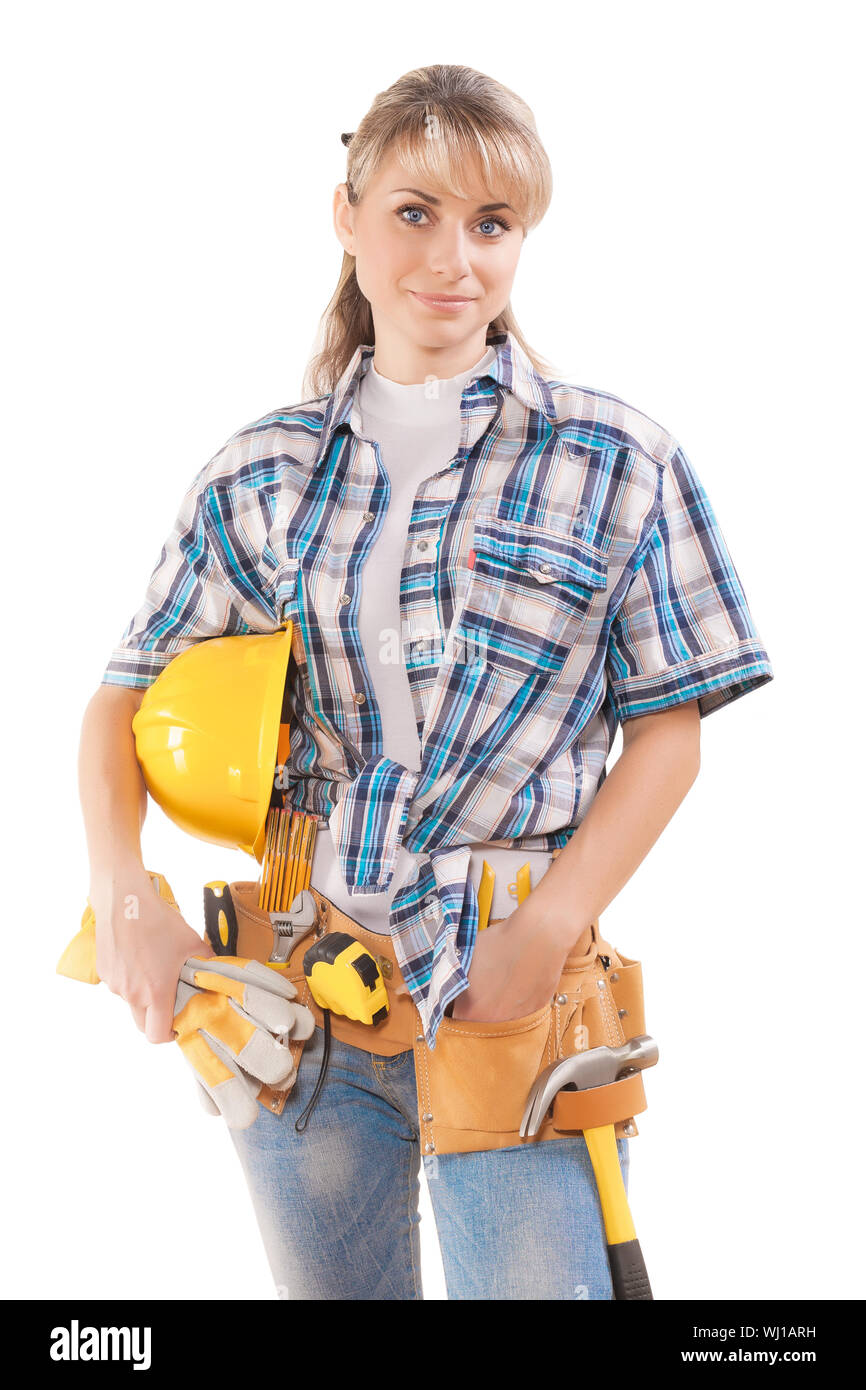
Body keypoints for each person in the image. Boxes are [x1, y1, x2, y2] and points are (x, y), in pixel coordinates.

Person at [79, 64, 774, 1300]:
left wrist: (549, 926)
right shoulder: (261, 474)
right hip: (303, 994)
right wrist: (125, 895)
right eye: (413, 212)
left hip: (515, 990)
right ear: (343, 217)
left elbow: (669, 734)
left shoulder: (616, 459)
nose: (453, 257)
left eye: (490, 223)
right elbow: (121, 697)